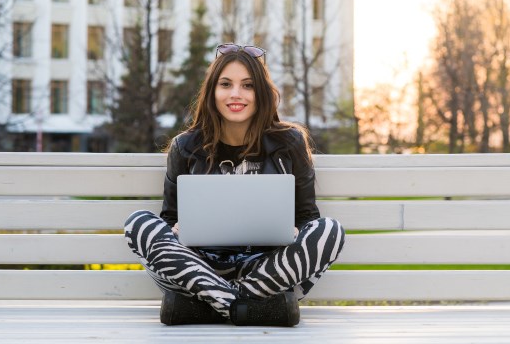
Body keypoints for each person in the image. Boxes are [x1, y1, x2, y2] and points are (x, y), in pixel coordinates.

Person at [124, 43, 346, 327]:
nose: (236, 94)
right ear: (212, 92)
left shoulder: (289, 142)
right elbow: (169, 220)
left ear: (261, 92)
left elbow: (308, 219)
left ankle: (208, 306)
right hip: (200, 268)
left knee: (329, 231)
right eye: (226, 84)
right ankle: (250, 308)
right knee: (139, 223)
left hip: (268, 269)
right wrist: (176, 229)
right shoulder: (185, 146)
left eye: (248, 85)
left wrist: (295, 231)